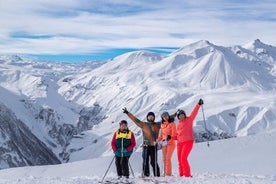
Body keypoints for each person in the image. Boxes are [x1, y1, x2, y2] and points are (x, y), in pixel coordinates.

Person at [122, 108, 161, 177]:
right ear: (147, 117)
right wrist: (128, 113)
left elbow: (166, 119)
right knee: (145, 161)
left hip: (154, 146)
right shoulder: (143, 124)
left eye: (152, 116)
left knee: (153, 162)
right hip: (145, 146)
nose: (151, 117)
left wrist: (174, 115)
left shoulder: (157, 125)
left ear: (154, 117)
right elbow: (135, 120)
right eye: (149, 116)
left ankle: (157, 175)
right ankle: (146, 175)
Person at [176, 98, 204, 177]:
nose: (181, 116)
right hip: (179, 144)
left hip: (188, 142)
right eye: (179, 115)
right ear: (178, 117)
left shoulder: (189, 120)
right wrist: (169, 137)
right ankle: (181, 175)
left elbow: (194, 112)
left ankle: (187, 175)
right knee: (179, 160)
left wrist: (198, 104)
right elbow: (176, 135)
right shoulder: (178, 125)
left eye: (182, 114)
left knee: (183, 159)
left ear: (184, 115)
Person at [157, 111, 177, 176]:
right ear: (162, 118)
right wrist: (157, 140)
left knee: (168, 158)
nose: (165, 117)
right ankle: (165, 173)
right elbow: (162, 134)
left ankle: (168, 174)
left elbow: (174, 133)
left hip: (171, 143)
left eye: (166, 116)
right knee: (164, 159)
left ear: (168, 116)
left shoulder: (172, 124)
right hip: (164, 143)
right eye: (164, 117)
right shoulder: (162, 125)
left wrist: (170, 137)